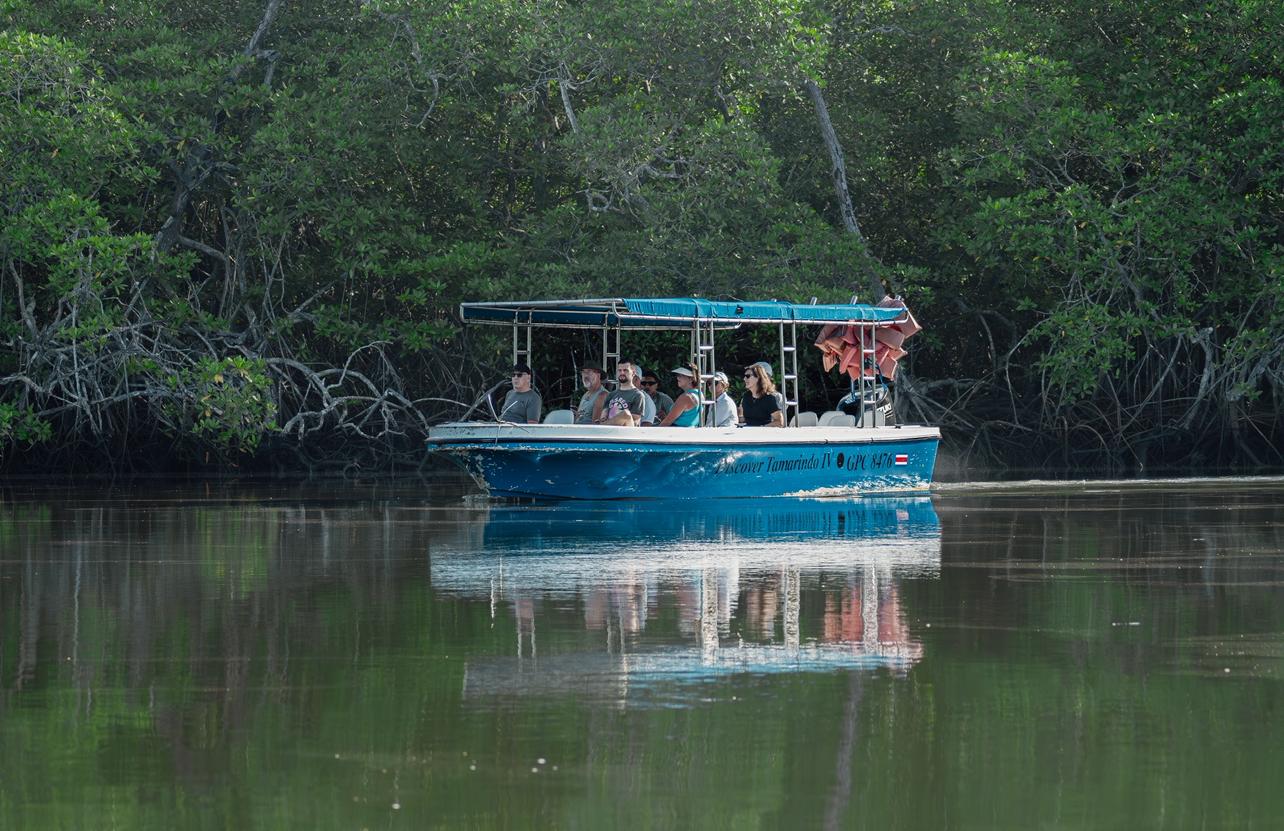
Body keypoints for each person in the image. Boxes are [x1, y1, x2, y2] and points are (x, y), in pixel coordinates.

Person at [594, 360, 646, 425]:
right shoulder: (611, 394)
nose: (622, 373)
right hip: (608, 432)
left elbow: (635, 423)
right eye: (619, 370)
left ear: (633, 373)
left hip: (625, 433)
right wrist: (603, 420)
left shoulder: (638, 395)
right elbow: (603, 417)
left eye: (625, 370)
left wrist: (620, 416)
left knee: (626, 414)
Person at [740, 363, 783, 427]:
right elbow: (743, 419)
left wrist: (762, 428)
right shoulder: (746, 396)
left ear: (758, 378)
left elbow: (779, 422)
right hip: (747, 432)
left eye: (748, 376)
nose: (744, 379)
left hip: (763, 435)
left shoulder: (769, 398)